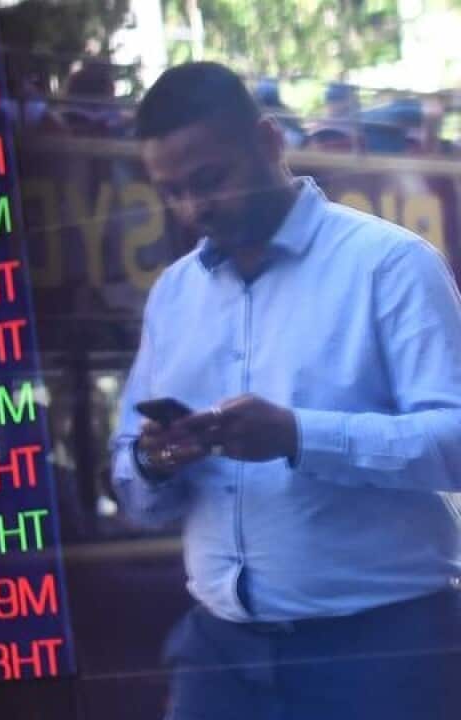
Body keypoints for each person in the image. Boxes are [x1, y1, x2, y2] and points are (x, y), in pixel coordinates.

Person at [110, 61, 461, 720]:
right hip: (217, 654)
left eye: (210, 180)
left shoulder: (390, 264)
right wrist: (158, 459)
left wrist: (299, 436)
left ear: (269, 143)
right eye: (172, 191)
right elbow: (130, 477)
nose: (193, 209)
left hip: (384, 653)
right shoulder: (173, 295)